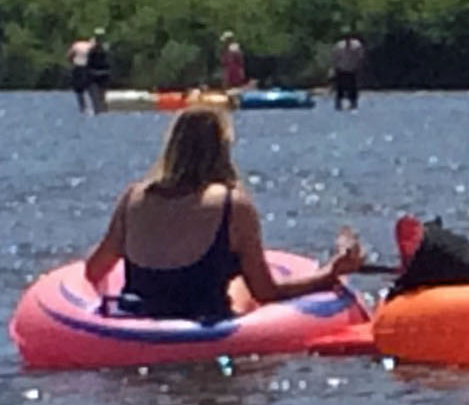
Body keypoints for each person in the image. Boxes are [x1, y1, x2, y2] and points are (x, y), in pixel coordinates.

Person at [82, 108, 363, 319]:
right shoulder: (232, 205)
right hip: (204, 326)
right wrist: (329, 275)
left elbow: (94, 270)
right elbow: (266, 292)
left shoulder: (134, 198)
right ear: (222, 149)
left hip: (139, 322)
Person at [330, 28, 365, 110]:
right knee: (340, 90)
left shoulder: (357, 45)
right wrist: (334, 69)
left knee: (353, 89)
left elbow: (360, 57)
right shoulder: (339, 46)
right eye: (345, 36)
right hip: (341, 70)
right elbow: (334, 58)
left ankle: (353, 105)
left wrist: (360, 67)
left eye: (348, 36)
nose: (347, 38)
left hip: (352, 70)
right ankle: (338, 106)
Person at [83, 28, 111, 115]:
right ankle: (101, 110)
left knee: (98, 95)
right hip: (100, 73)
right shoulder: (105, 46)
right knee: (100, 95)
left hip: (97, 73)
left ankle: (99, 110)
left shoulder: (96, 47)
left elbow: (88, 60)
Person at [65, 34, 94, 113]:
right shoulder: (91, 46)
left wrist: (71, 62)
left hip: (78, 67)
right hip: (88, 68)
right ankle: (93, 105)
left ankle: (83, 106)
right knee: (89, 86)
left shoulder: (76, 45)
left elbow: (69, 55)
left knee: (78, 88)